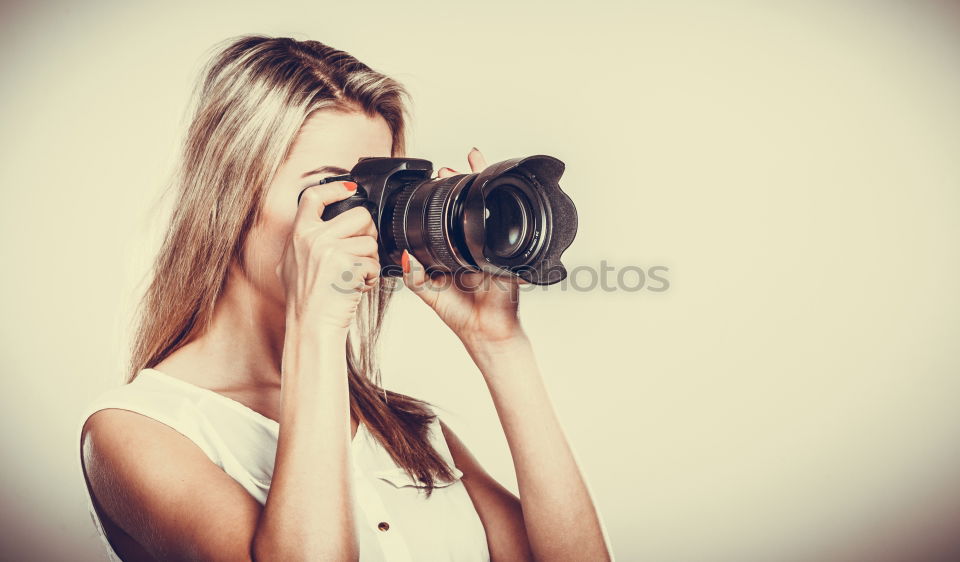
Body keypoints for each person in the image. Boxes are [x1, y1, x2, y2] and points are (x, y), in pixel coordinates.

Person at [76, 34, 612, 561]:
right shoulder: (137, 430)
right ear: (230, 196)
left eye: (382, 188)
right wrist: (317, 327)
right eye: (337, 186)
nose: (368, 218)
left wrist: (500, 345)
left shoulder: (403, 427)